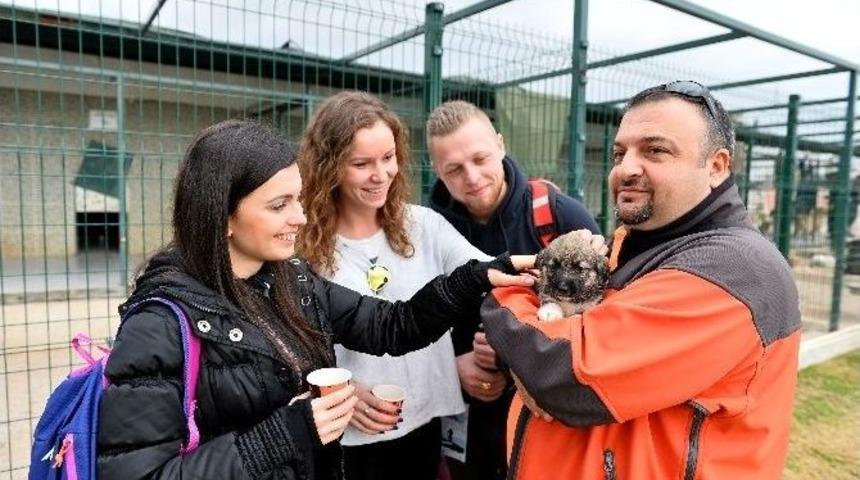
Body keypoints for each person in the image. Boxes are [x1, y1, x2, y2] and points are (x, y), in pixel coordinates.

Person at [95, 120, 534, 480]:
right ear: (222, 215)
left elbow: (390, 325)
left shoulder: (289, 280)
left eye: (299, 199)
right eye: (279, 205)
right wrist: (283, 435)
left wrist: (471, 277)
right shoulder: (158, 326)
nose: (300, 217)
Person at [481, 81, 802, 479]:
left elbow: (565, 375)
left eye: (655, 150)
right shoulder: (632, 244)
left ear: (716, 167)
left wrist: (504, 298)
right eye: (620, 152)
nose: (626, 168)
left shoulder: (734, 269)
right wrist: (523, 348)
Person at [295, 92, 490, 480]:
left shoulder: (424, 225)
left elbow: (485, 275)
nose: (381, 174)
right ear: (328, 167)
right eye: (361, 164)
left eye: (388, 157)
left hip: (422, 422)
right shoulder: (304, 246)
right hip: (350, 435)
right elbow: (290, 342)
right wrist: (343, 392)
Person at [426, 100, 600, 480]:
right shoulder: (426, 230)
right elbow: (412, 319)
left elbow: (604, 310)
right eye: (453, 169)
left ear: (501, 145)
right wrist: (454, 365)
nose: (471, 177)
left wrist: (516, 353)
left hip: (546, 410)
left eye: (480, 158)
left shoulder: (558, 216)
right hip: (467, 416)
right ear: (437, 170)